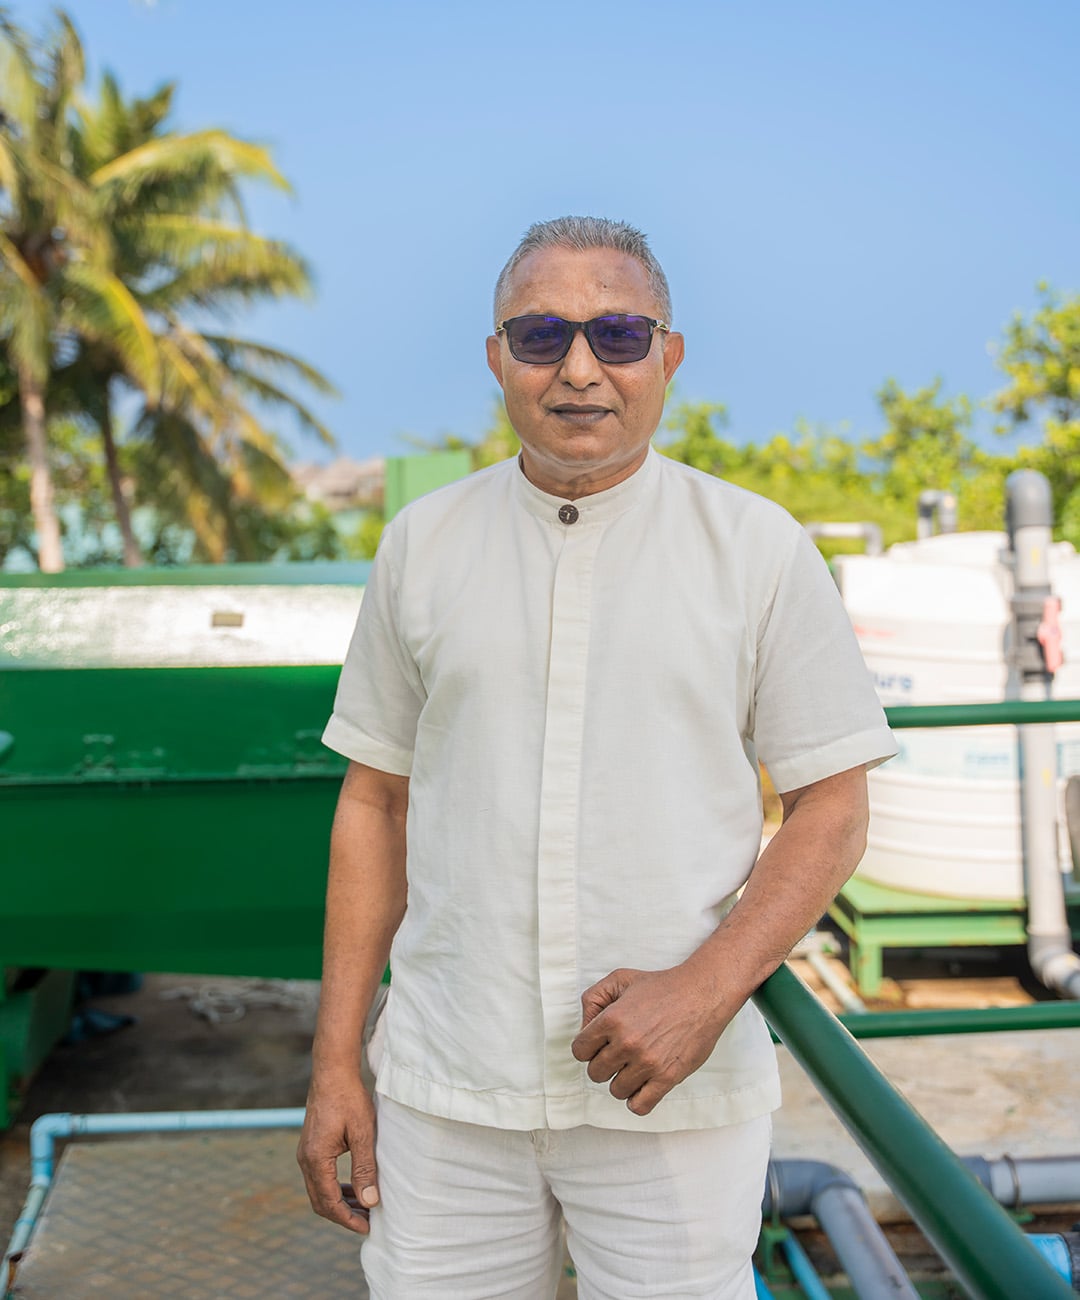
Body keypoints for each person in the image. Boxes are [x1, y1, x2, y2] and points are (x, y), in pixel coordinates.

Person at [297, 216, 897, 1299]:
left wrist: (709, 988)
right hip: (446, 1087)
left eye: (618, 334)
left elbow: (833, 806)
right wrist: (336, 1057)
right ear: (497, 358)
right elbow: (374, 802)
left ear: (668, 354)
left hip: (670, 1089)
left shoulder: (758, 549)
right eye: (541, 336)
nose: (580, 368)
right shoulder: (421, 547)